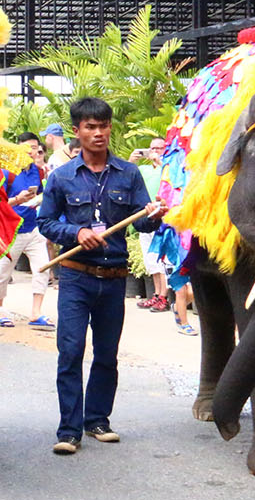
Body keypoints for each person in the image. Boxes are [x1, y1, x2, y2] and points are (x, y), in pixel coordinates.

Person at [36, 98, 165, 456]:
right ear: (76, 132)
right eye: (90, 127)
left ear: (110, 129)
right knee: (71, 350)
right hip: (76, 277)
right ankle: (68, 430)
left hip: (113, 277)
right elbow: (45, 222)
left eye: (103, 126)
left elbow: (141, 220)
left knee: (107, 354)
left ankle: (97, 421)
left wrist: (154, 215)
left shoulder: (129, 173)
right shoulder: (61, 177)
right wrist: (75, 233)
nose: (98, 133)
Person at [0, 132, 52, 329]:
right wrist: (18, 200)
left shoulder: (38, 171)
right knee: (3, 272)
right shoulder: (7, 172)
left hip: (33, 228)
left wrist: (38, 198)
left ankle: (36, 313)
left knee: (42, 268)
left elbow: (41, 195)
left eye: (35, 148)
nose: (32, 151)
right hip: (12, 230)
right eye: (27, 147)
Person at [134, 138, 171, 312]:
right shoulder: (143, 169)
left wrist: (161, 162)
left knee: (161, 258)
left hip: (163, 216)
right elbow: (127, 177)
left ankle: (164, 296)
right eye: (152, 148)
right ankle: (156, 294)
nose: (155, 151)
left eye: (159, 148)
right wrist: (132, 160)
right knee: (150, 259)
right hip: (145, 216)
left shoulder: (170, 167)